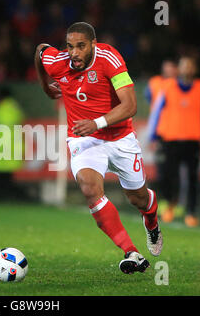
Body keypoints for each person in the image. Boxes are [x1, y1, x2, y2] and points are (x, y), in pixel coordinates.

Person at [34, 22, 162, 274]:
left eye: (81, 46)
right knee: (90, 188)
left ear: (93, 44)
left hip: (120, 137)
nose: (74, 53)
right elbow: (40, 50)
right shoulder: (58, 61)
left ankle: (151, 220)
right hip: (84, 139)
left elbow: (130, 106)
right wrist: (45, 86)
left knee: (138, 198)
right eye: (70, 47)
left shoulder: (110, 58)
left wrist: (96, 123)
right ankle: (130, 252)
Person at [147, 56, 200, 227]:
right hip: (170, 139)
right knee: (169, 176)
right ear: (180, 69)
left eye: (190, 66)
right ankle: (169, 205)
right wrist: (153, 135)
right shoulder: (168, 87)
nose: (187, 69)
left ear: (194, 69)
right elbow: (156, 112)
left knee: (193, 178)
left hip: (193, 140)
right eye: (184, 66)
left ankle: (192, 212)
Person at [144, 60, 181, 217]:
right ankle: (165, 202)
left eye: (171, 67)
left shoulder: (180, 85)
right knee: (162, 170)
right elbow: (149, 99)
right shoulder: (155, 83)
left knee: (177, 171)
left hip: (179, 133)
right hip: (161, 133)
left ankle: (175, 204)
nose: (169, 70)